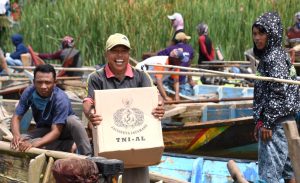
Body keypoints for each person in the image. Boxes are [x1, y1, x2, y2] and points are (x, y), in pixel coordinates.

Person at [83, 33, 165, 183]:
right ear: (107, 53)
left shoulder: (141, 76)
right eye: (115, 51)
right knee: (105, 176)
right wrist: (90, 113)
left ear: (128, 54)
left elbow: (156, 97)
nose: (119, 55)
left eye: (124, 51)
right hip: (107, 140)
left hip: (137, 142)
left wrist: (159, 106)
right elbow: (88, 102)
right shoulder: (96, 77)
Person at [252, 12, 300, 183]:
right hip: (283, 121)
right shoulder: (275, 55)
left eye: (262, 33)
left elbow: (278, 92)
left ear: (272, 33)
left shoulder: (274, 57)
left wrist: (267, 122)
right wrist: (259, 120)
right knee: (290, 171)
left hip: (276, 124)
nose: (257, 38)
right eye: (255, 33)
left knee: (268, 175)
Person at [10, 64, 92, 156]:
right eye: (39, 82)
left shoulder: (60, 98)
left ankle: (87, 155)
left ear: (54, 82)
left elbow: (56, 132)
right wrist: (16, 136)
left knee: (73, 120)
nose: (43, 86)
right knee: (22, 140)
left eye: (47, 82)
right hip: (45, 129)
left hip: (63, 130)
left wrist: (35, 143)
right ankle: (68, 146)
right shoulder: (29, 92)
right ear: (33, 82)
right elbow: (16, 117)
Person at [157, 32, 195, 100]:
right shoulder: (190, 48)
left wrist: (176, 95)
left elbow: (158, 54)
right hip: (179, 79)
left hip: (172, 79)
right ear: (184, 40)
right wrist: (190, 80)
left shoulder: (169, 49)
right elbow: (189, 65)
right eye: (186, 39)